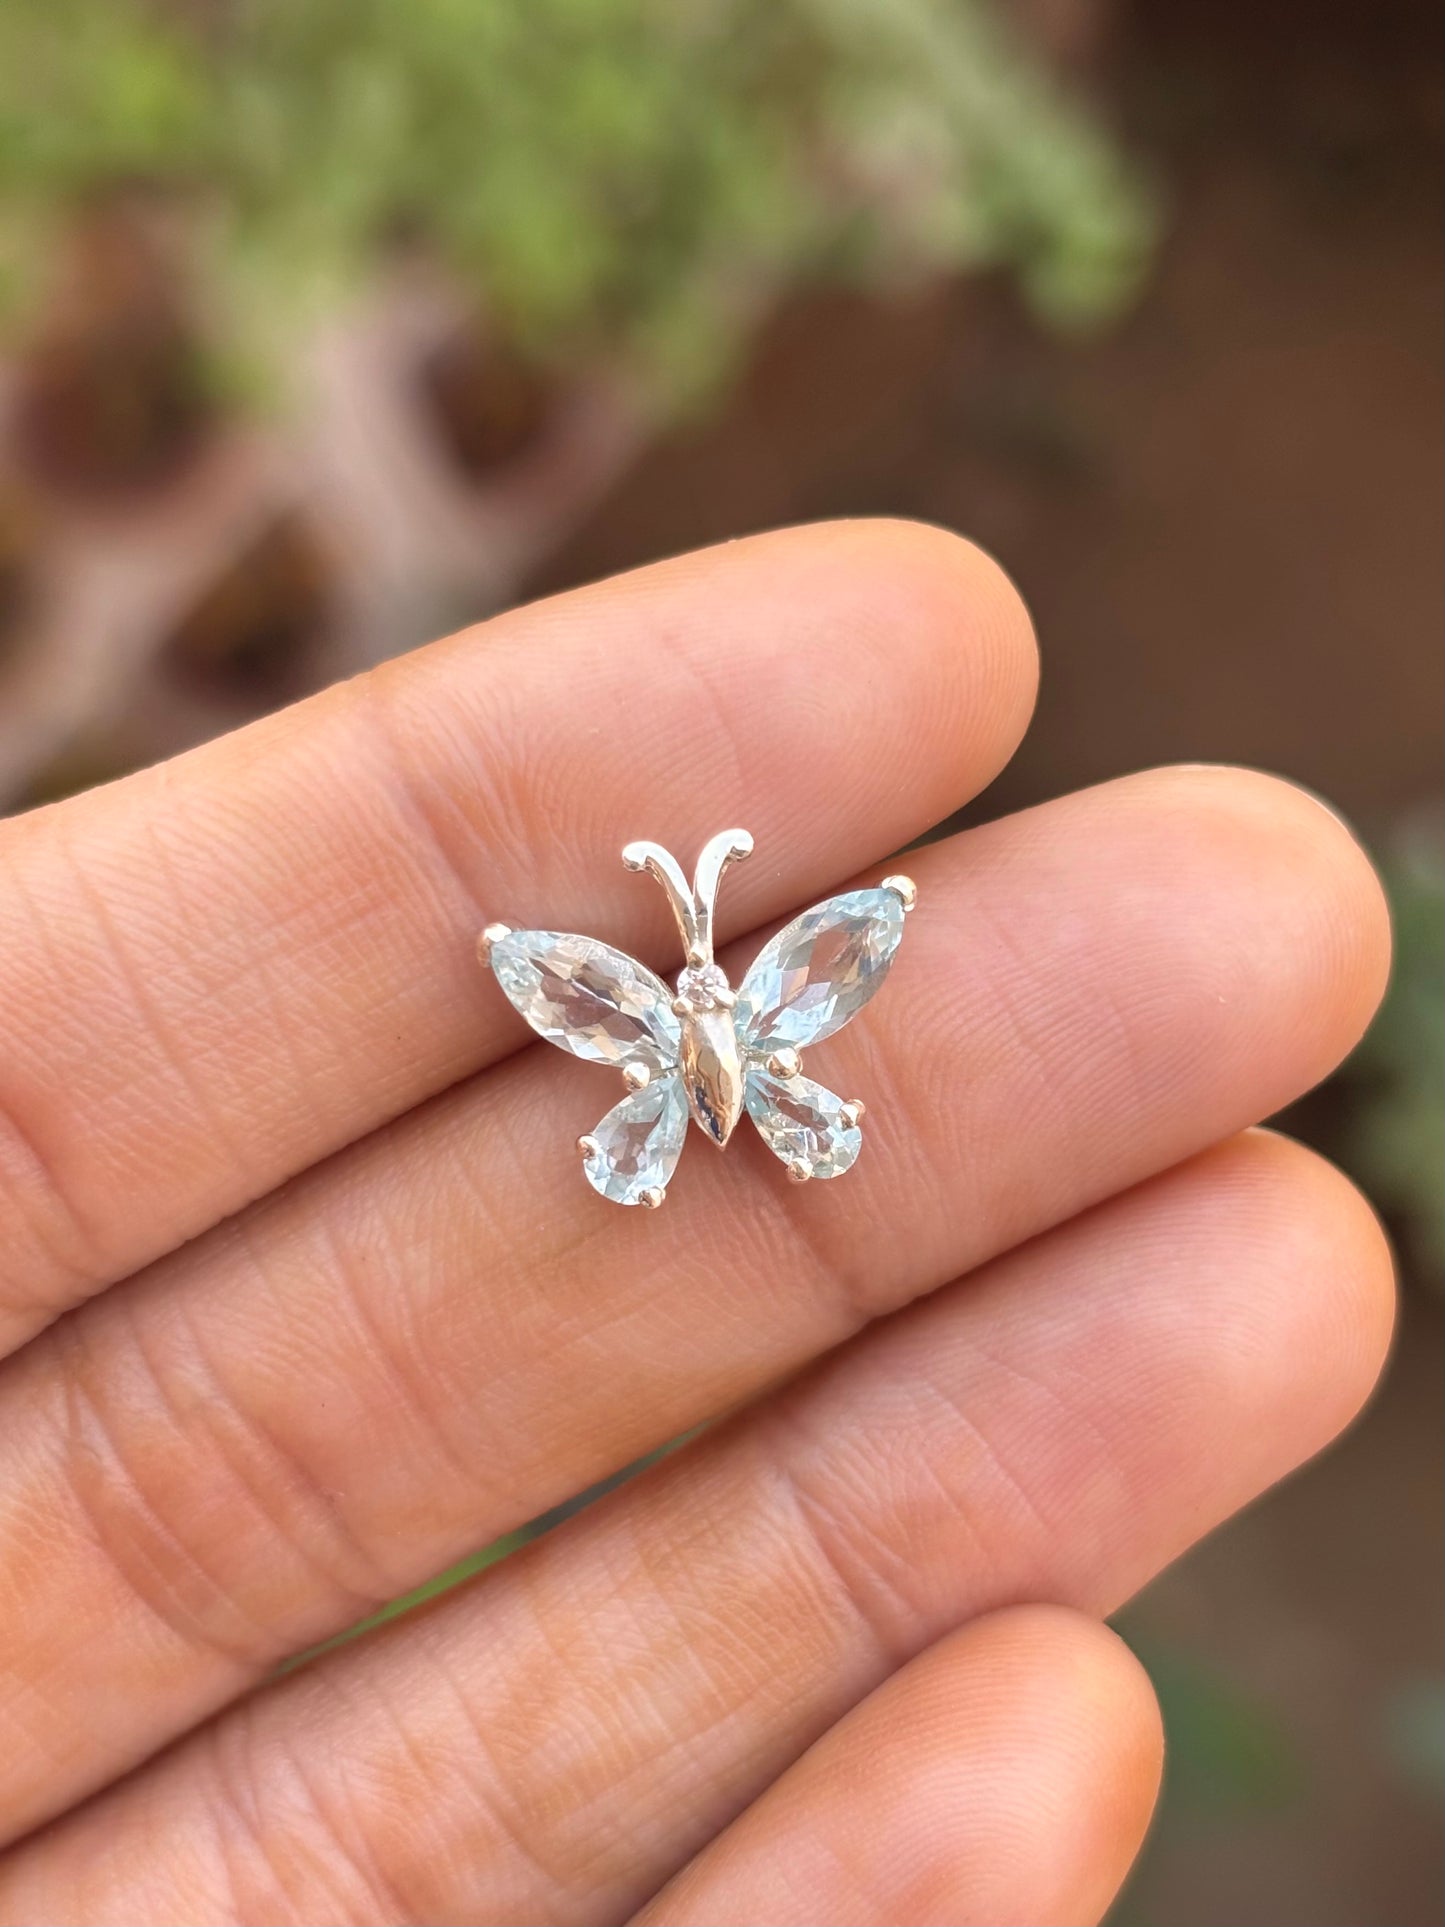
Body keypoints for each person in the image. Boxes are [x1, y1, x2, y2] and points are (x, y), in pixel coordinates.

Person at [0, 522, 1394, 1925]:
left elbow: (851, 929)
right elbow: (531, 965)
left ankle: (727, 1128)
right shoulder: (626, 997)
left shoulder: (776, 976)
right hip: (695, 1109)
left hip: (742, 1106)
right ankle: (702, 1132)